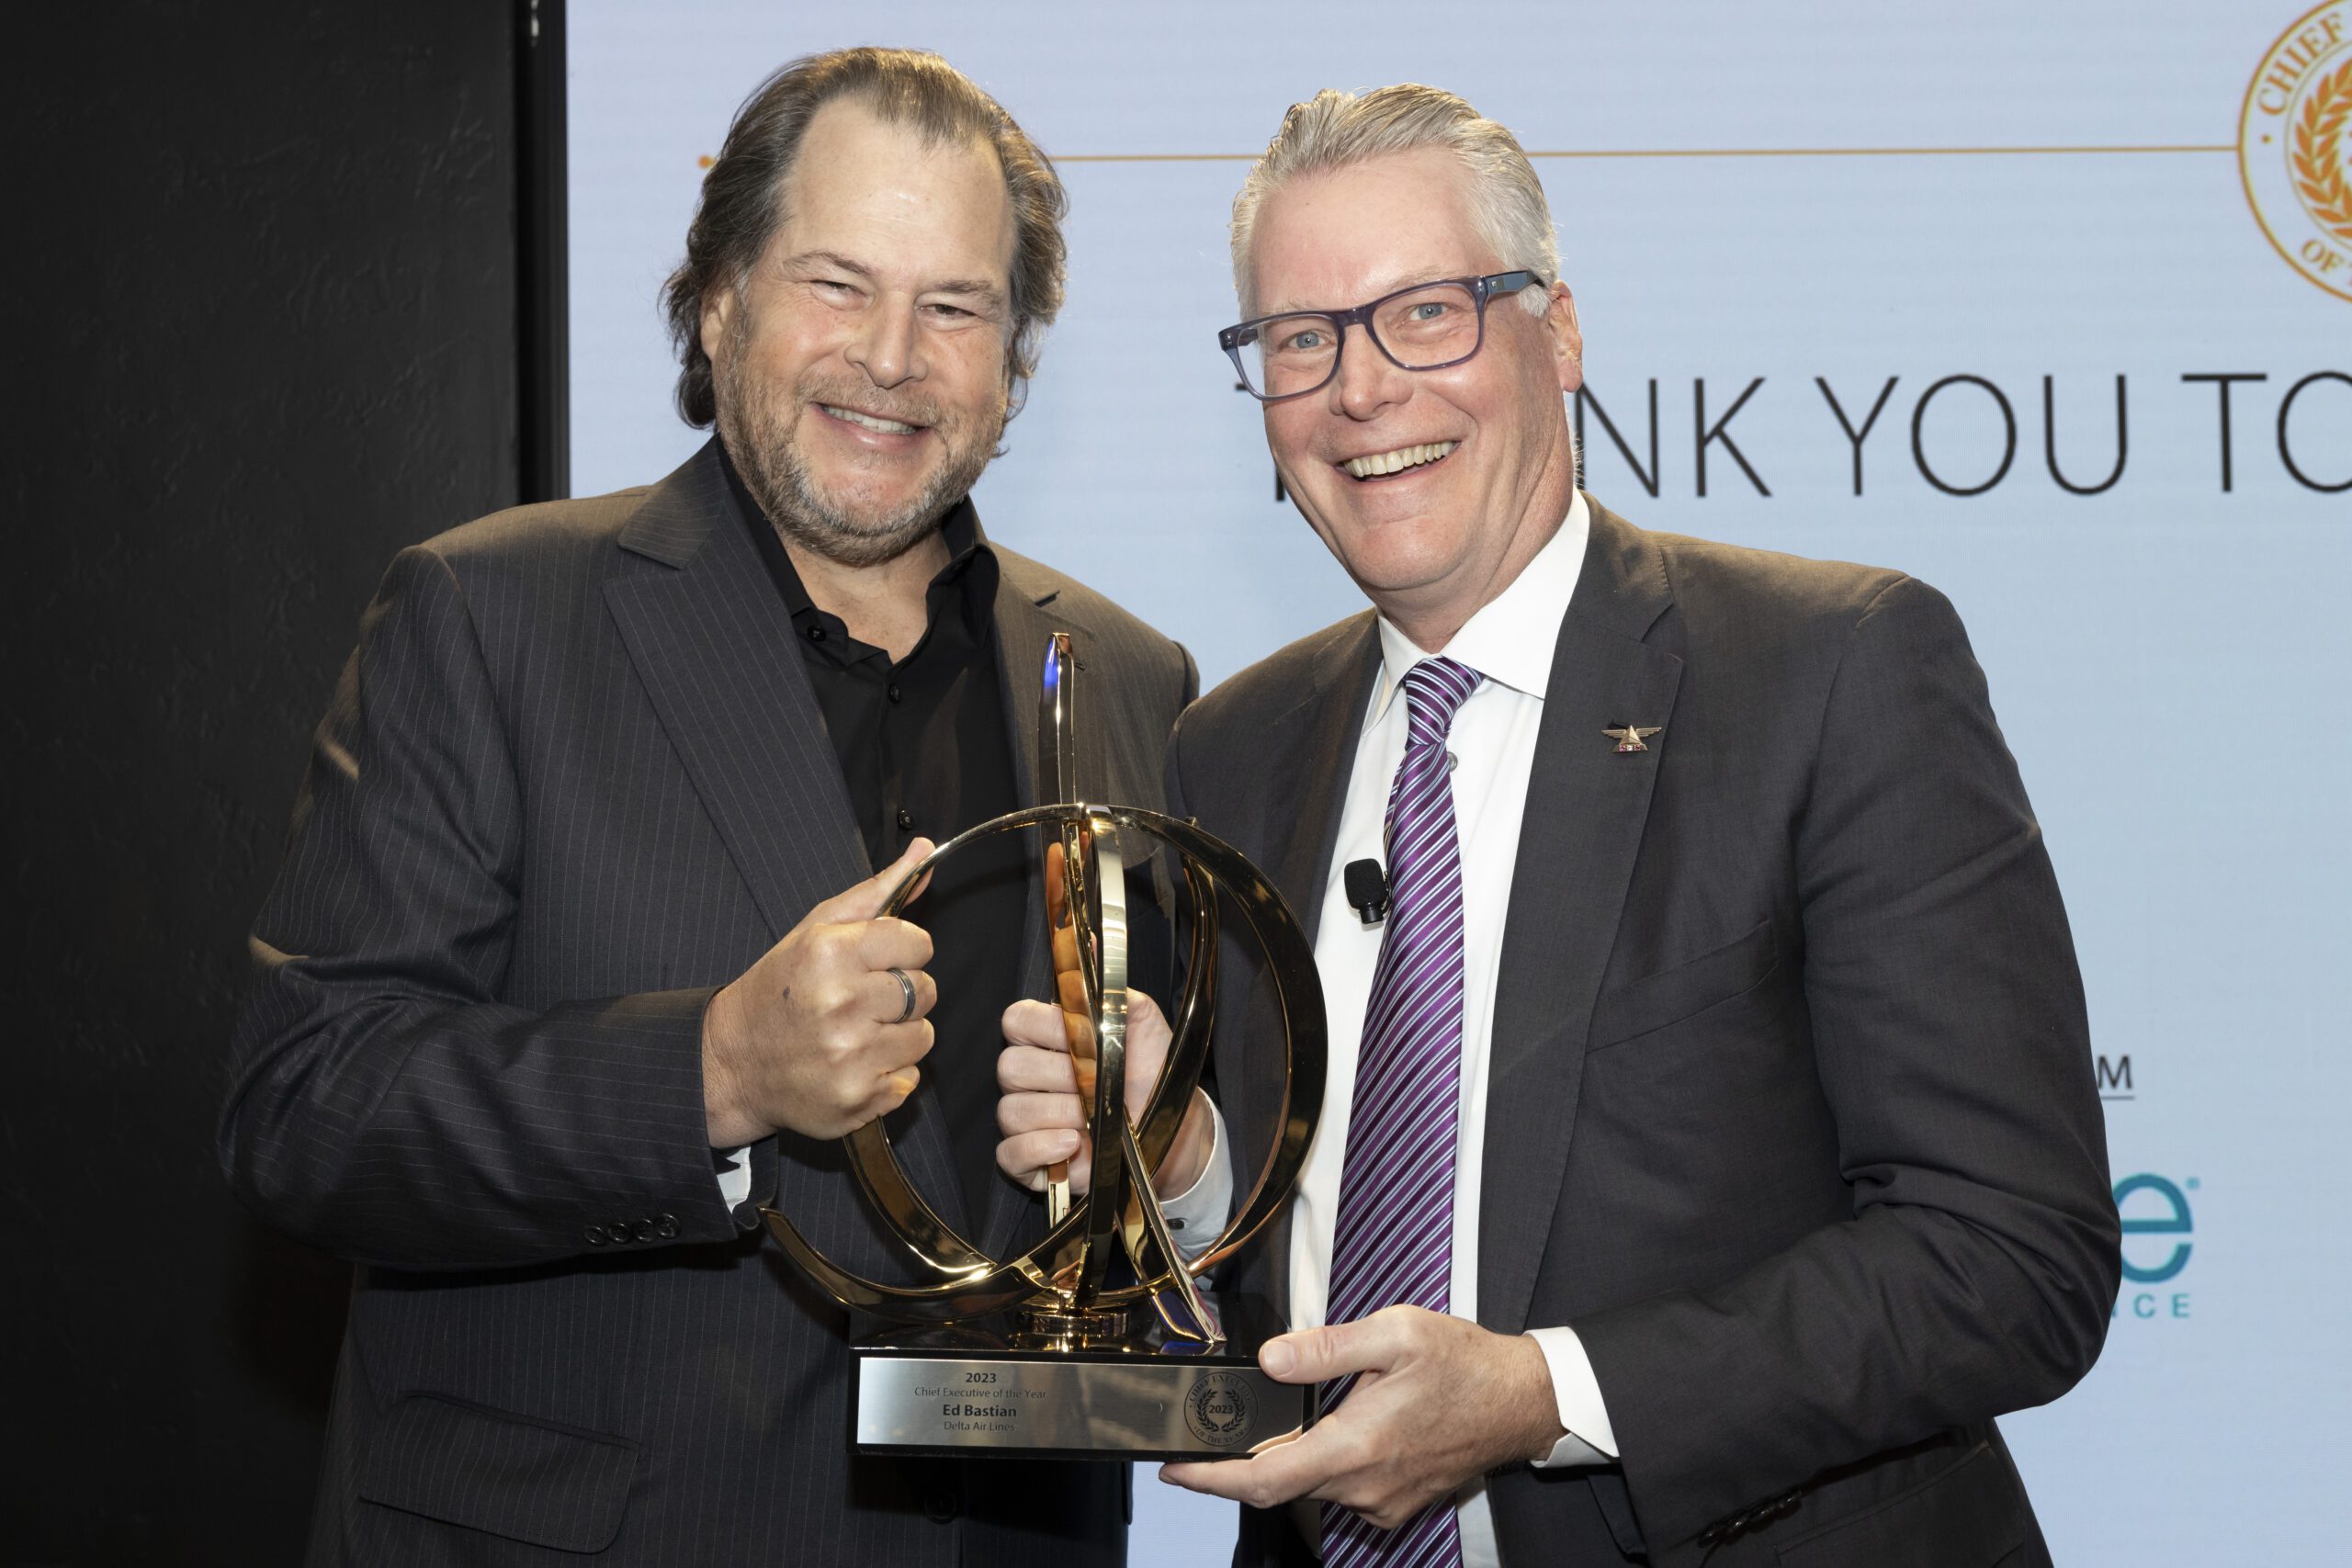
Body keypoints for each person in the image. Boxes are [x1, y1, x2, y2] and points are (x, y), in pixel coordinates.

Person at [998, 85, 2119, 1567]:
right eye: (1300, 339)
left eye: (1426, 314)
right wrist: (1187, 1160)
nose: (1362, 390)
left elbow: (2012, 1260)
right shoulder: (1236, 748)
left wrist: (1545, 1396)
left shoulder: (1833, 671)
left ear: (1560, 334)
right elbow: (1288, 1284)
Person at [220, 47, 1195, 1566]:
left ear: (1016, 359)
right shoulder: (491, 616)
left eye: (957, 307)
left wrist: (1164, 1160)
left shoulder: (1130, 675)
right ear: (722, 296)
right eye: (837, 284)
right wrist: (715, 1072)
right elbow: (306, 1111)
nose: (893, 356)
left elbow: (1142, 1186)